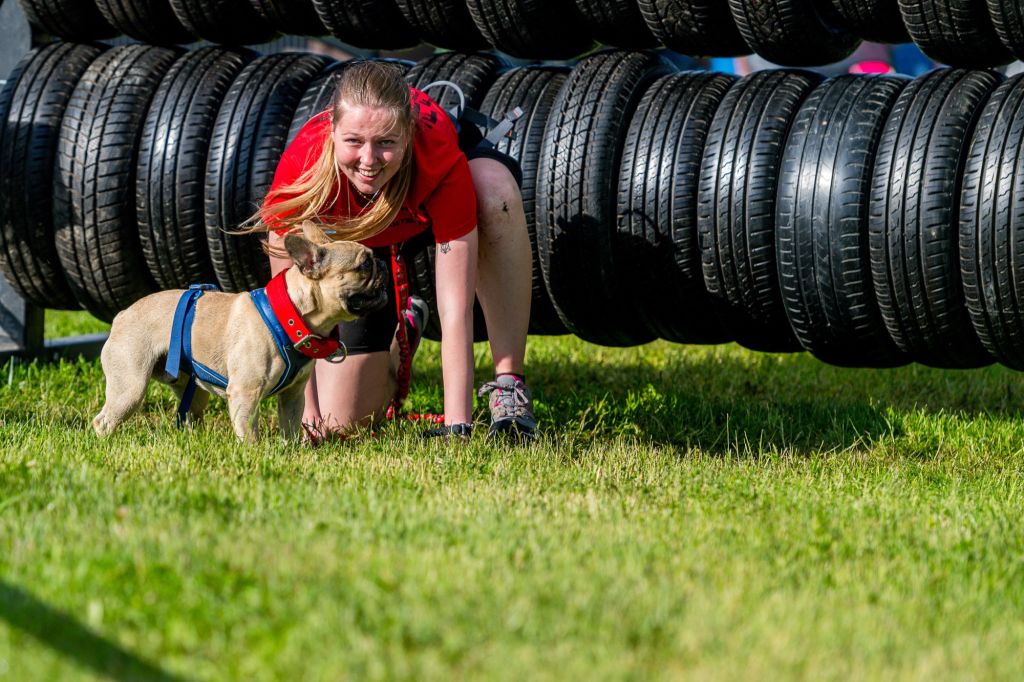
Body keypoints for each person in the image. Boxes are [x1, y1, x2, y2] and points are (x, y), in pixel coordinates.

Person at [252, 60, 536, 442]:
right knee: (343, 421)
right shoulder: (300, 173)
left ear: (407, 134)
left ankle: (509, 387)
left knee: (493, 188)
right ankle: (400, 341)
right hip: (359, 253)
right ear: (332, 132)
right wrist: (310, 421)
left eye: (386, 142)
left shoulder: (437, 160)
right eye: (354, 141)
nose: (368, 161)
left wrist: (457, 428)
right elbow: (291, 316)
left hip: (423, 215)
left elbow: (455, 310)